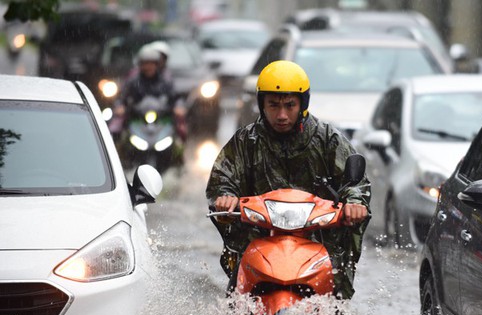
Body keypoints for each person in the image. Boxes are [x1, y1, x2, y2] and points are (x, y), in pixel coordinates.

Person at [205, 60, 371, 299]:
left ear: (302, 104)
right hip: (259, 236)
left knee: (336, 294)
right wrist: (226, 197)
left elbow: (355, 182)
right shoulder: (245, 141)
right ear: (262, 104)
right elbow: (223, 178)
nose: (281, 115)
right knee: (235, 301)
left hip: (318, 238)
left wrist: (354, 203)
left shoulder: (328, 139)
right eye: (273, 105)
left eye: (289, 105)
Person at [112, 44, 186, 140]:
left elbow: (176, 97)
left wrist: (179, 107)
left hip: (160, 120)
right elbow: (121, 98)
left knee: (180, 132)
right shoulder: (133, 82)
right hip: (137, 120)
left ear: (157, 65)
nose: (148, 67)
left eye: (151, 64)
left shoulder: (165, 81)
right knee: (115, 130)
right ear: (140, 65)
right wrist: (120, 106)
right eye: (145, 64)